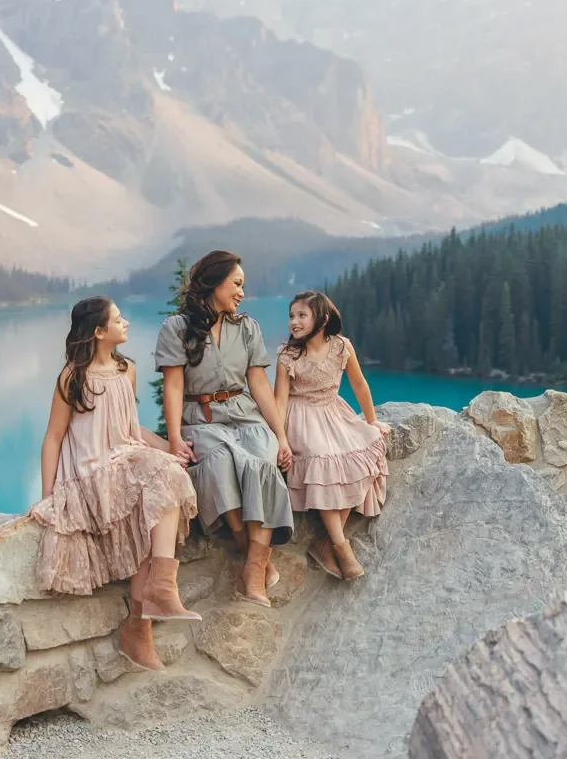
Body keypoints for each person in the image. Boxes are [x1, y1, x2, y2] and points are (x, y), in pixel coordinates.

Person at [32, 297, 201, 672]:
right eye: (118, 319)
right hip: (93, 471)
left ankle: (141, 624)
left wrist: (170, 447)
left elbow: (130, 428)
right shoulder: (72, 378)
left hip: (126, 460)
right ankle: (157, 598)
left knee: (163, 489)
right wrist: (49, 496)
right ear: (97, 331)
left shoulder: (127, 370)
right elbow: (53, 438)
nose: (125, 323)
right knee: (163, 479)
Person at [155, 250, 293, 607]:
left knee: (262, 462)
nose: (241, 293)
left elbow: (259, 385)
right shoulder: (176, 329)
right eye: (237, 284)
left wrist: (281, 436)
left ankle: (254, 568)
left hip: (244, 413)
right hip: (200, 418)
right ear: (214, 283)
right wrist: (173, 438)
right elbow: (172, 386)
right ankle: (250, 554)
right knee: (218, 463)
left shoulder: (247, 327)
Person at [275, 290, 388, 580]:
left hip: (333, 411)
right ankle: (341, 546)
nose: (294, 322)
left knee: (364, 452)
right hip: (301, 418)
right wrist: (281, 439)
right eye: (291, 316)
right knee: (321, 460)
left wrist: (372, 420)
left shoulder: (341, 346)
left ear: (322, 318)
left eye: (302, 315)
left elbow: (360, 385)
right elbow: (280, 401)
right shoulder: (288, 355)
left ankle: (325, 543)